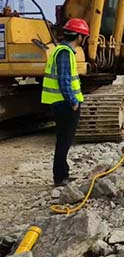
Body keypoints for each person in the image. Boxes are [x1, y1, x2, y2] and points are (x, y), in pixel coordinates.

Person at [41, 18, 89, 186]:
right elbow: (64, 79)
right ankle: (60, 177)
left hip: (60, 102)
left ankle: (63, 174)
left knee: (64, 140)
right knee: (64, 140)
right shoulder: (65, 53)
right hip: (65, 104)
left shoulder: (59, 50)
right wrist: (73, 101)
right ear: (79, 36)